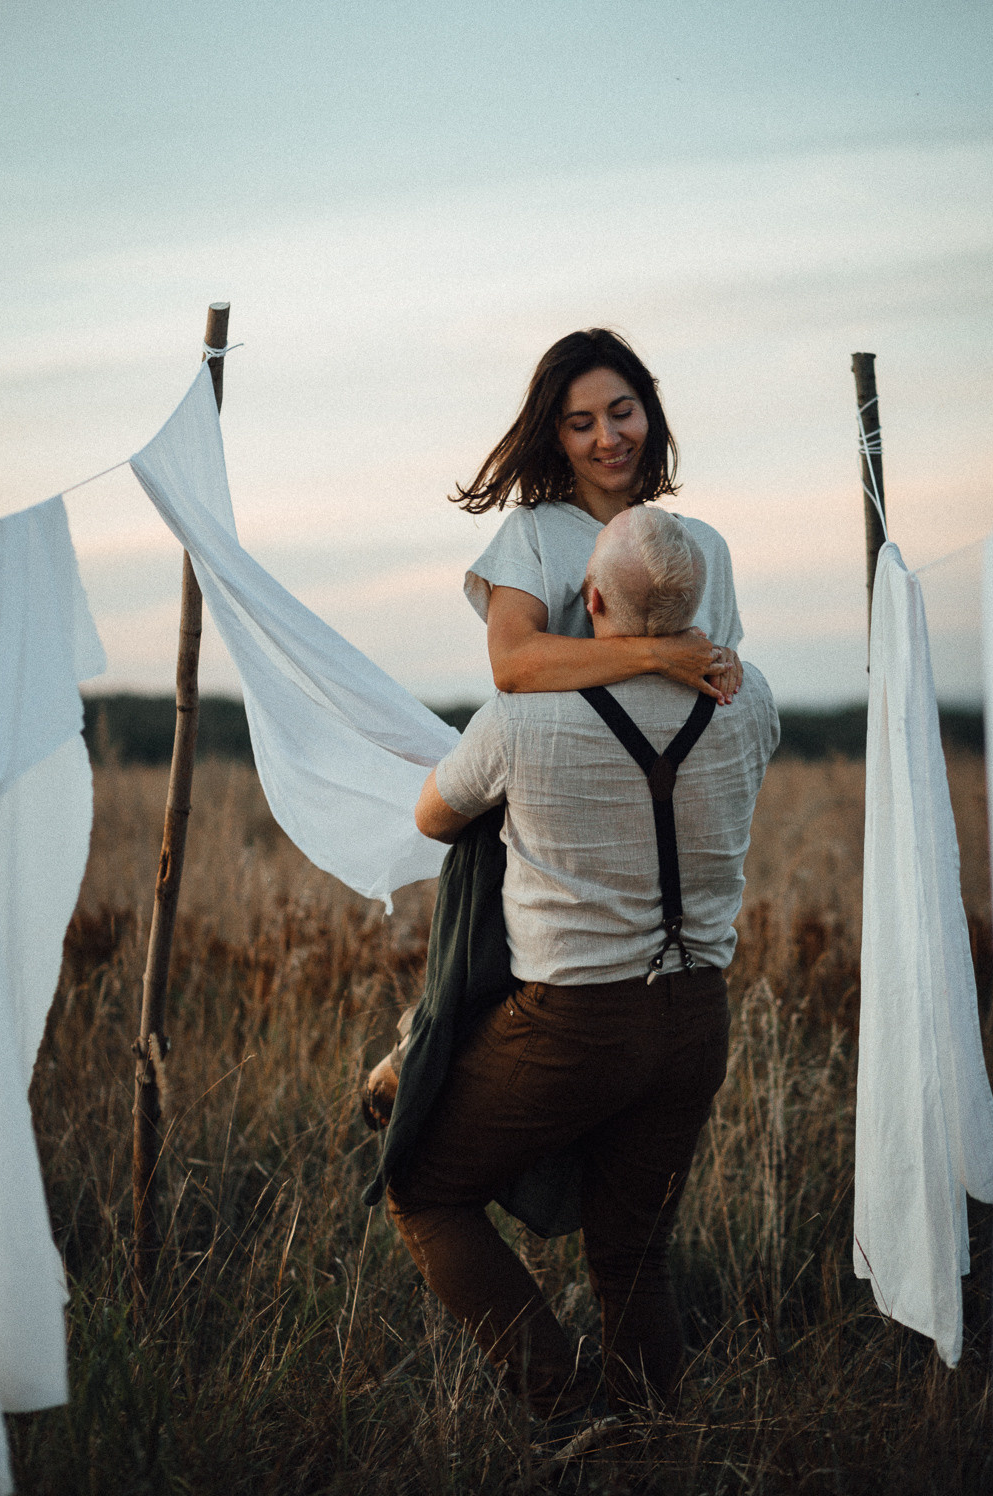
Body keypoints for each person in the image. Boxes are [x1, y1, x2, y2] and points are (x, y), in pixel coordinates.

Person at [386, 506, 779, 1427]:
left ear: (588, 599)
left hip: (573, 1024)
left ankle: (563, 1413)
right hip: (696, 1017)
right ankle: (650, 1444)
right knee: (633, 1252)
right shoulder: (748, 695)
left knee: (425, 1192)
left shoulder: (522, 720)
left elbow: (432, 818)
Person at [454, 326, 743, 703]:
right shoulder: (533, 535)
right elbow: (511, 662)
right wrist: (655, 655)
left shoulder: (705, 544)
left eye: (622, 413)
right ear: (558, 437)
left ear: (648, 411)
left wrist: (727, 662)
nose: (608, 438)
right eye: (582, 425)